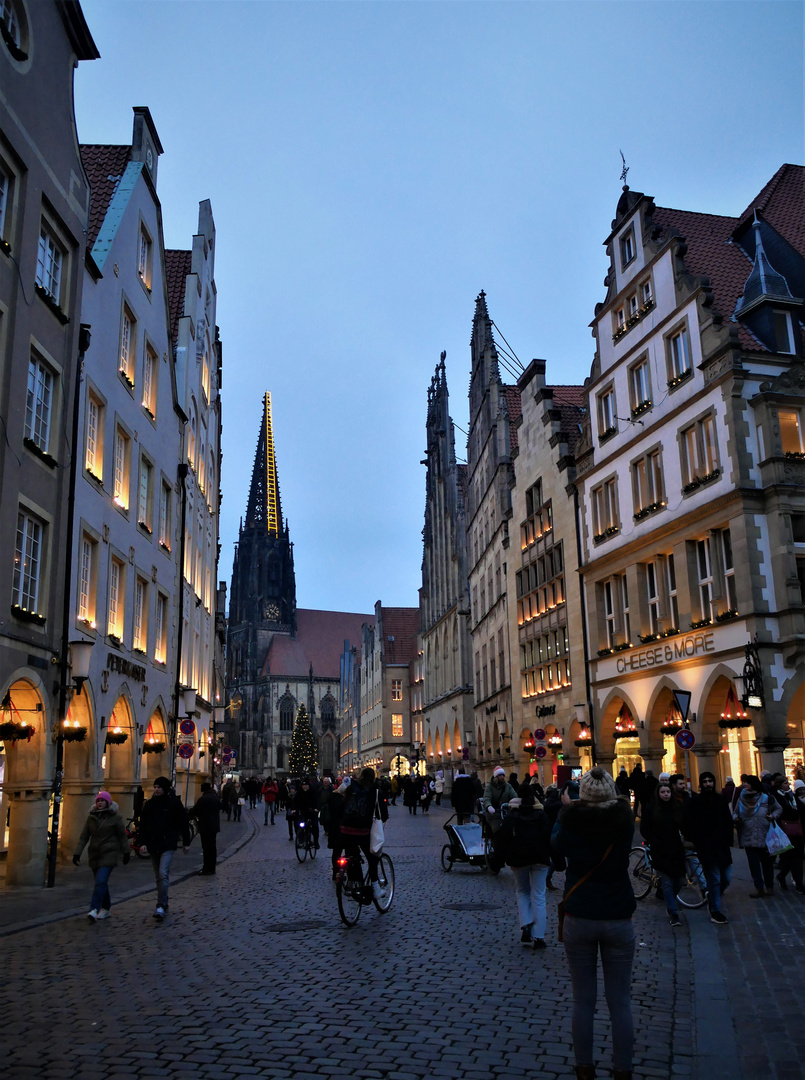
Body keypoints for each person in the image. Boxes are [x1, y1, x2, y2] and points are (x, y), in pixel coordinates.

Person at [552, 767, 636, 1080]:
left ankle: (585, 1068)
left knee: (583, 1000)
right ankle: (622, 1069)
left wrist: (566, 809)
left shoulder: (572, 821)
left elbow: (557, 850)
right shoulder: (624, 821)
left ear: (583, 794)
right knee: (620, 1002)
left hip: (581, 916)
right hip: (617, 916)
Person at [496, 782, 552, 948]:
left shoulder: (512, 814)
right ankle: (539, 936)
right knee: (539, 896)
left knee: (522, 892)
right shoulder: (541, 814)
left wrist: (503, 859)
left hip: (519, 858)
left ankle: (526, 925)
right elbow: (549, 836)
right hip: (540, 859)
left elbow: (503, 839)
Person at [682, 771, 733, 924]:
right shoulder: (696, 801)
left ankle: (713, 896)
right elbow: (689, 822)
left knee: (726, 878)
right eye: (705, 781)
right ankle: (715, 911)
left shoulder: (720, 799)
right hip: (707, 847)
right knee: (715, 879)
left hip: (722, 846)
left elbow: (727, 819)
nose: (708, 784)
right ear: (701, 784)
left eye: (710, 781)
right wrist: (696, 841)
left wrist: (729, 838)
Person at [138, 776, 192, 919]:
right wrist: (142, 842)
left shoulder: (174, 803)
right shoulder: (150, 804)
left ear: (165, 788)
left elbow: (183, 823)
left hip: (168, 843)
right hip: (153, 843)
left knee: (163, 873)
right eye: (155, 787)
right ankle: (164, 901)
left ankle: (160, 905)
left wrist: (186, 843)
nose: (156, 789)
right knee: (158, 876)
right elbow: (143, 825)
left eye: (159, 787)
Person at [72, 791, 130, 921]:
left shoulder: (115, 817)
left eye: (102, 801)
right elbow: (84, 836)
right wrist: (77, 853)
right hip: (94, 854)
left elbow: (122, 836)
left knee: (101, 881)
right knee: (101, 883)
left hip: (109, 853)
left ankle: (94, 909)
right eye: (98, 801)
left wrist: (126, 852)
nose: (100, 803)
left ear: (107, 802)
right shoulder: (91, 817)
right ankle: (106, 908)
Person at [640, 782, 686, 927]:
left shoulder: (676, 807)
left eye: (668, 792)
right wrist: (654, 841)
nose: (666, 794)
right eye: (663, 792)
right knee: (666, 882)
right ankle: (673, 912)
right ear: (658, 794)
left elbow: (683, 825)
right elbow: (644, 829)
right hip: (660, 849)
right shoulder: (651, 809)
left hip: (675, 848)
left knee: (678, 880)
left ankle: (668, 900)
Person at [338, 767, 389, 898]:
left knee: (351, 855)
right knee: (373, 857)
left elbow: (342, 806)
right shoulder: (375, 792)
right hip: (363, 831)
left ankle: (351, 881)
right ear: (373, 778)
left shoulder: (350, 789)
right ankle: (375, 887)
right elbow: (383, 814)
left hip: (345, 829)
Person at [733, 774, 781, 897]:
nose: (744, 784)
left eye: (747, 782)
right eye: (744, 782)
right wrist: (736, 818)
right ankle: (758, 888)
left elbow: (778, 809)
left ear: (753, 784)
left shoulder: (766, 798)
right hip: (748, 835)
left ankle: (769, 886)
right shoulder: (742, 798)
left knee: (767, 864)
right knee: (754, 865)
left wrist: (772, 816)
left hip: (765, 835)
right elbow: (735, 812)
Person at [772, 774, 804, 893]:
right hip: (785, 832)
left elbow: (800, 811)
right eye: (785, 783)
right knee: (789, 858)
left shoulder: (793, 796)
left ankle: (799, 884)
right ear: (779, 785)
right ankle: (786, 877)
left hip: (798, 831)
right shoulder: (776, 797)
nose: (788, 785)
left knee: (797, 858)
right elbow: (783, 812)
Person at [190, 782, 221, 875]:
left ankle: (207, 868)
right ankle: (212, 867)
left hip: (205, 826)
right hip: (214, 826)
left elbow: (196, 810)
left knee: (206, 848)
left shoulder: (203, 799)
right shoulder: (215, 797)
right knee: (212, 847)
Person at [482, 767, 518, 835]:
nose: (502, 777)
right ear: (496, 777)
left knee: (513, 828)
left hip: (506, 812)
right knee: (497, 829)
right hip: (494, 814)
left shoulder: (507, 786)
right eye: (500, 775)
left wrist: (516, 803)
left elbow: (514, 795)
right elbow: (486, 798)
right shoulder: (490, 787)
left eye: (503, 775)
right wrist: (489, 806)